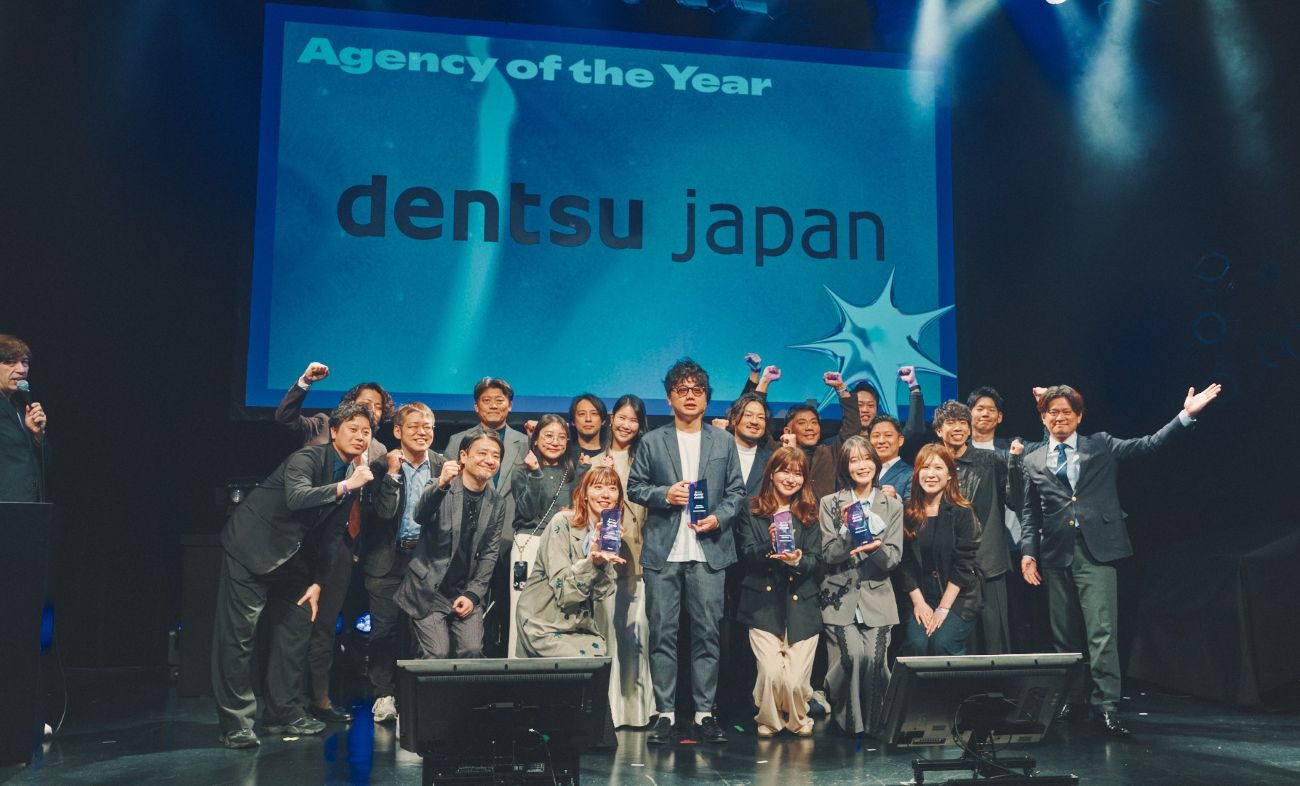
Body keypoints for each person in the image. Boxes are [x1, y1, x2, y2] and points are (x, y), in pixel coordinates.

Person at [1020, 383, 1221, 737]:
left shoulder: (1100, 444)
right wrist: (1027, 553)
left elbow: (1149, 445)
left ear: (1079, 416)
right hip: (1055, 553)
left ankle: (1106, 705)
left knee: (1101, 632)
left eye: (1066, 412)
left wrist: (1185, 416)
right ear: (1043, 418)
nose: (1059, 418)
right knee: (1063, 635)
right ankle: (1072, 699)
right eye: (1052, 412)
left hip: (1096, 550)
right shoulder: (1032, 459)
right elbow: (1030, 513)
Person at [212, 403, 377, 749]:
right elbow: (298, 498)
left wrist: (318, 582)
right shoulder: (307, 459)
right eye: (353, 429)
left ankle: (284, 712)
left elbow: (332, 535)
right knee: (239, 638)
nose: (360, 437)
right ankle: (236, 724)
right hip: (252, 548)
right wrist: (346, 486)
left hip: (295, 561)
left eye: (366, 432)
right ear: (334, 431)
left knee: (297, 629)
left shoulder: (350, 475)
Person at [628, 358, 746, 745]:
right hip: (664, 552)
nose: (690, 397)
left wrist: (718, 518)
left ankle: (704, 713)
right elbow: (635, 487)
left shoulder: (723, 441)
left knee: (707, 634)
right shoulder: (652, 440)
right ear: (669, 398)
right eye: (682, 390)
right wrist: (666, 494)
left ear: (707, 398)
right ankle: (664, 713)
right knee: (662, 633)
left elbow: (736, 492)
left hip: (709, 551)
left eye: (697, 391)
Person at [273, 361, 392, 723]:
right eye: (365, 404)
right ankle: (288, 701)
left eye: (377, 408)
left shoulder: (378, 449)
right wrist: (304, 382)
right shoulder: (324, 425)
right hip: (304, 539)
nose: (371, 412)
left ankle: (320, 698)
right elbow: (285, 419)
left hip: (346, 544)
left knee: (329, 623)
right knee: (298, 622)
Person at [360, 402, 449, 724]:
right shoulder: (381, 466)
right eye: (413, 426)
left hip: (426, 561)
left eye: (427, 426)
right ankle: (383, 695)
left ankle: (415, 696)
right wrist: (394, 475)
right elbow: (383, 513)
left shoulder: (443, 466)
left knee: (419, 632)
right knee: (383, 632)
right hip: (387, 559)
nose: (422, 432)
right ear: (398, 431)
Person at [734, 447, 824, 737]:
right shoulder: (751, 508)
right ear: (771, 474)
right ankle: (770, 720)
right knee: (772, 674)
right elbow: (747, 554)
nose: (790, 478)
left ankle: (799, 718)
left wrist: (796, 560)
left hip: (802, 605)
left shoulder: (810, 512)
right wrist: (770, 546)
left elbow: (816, 560)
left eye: (797, 474)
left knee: (795, 682)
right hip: (762, 604)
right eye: (785, 471)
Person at [817, 436, 903, 738]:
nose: (861, 465)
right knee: (852, 656)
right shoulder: (830, 503)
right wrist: (849, 534)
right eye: (854, 460)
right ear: (845, 466)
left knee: (875, 659)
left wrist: (875, 547)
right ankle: (850, 723)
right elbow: (829, 554)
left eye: (866, 458)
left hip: (878, 595)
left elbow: (892, 559)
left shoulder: (892, 505)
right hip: (839, 595)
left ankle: (877, 724)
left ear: (875, 463)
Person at [395, 428, 507, 660]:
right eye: (482, 453)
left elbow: (490, 553)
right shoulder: (441, 485)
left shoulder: (496, 502)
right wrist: (442, 485)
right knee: (437, 653)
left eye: (495, 456)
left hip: (465, 590)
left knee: (472, 651)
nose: (489, 460)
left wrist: (473, 595)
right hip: (429, 590)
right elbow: (420, 516)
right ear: (463, 456)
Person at [441, 377, 529, 656]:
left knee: (505, 609)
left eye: (499, 400)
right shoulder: (458, 440)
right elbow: (448, 489)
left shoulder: (525, 442)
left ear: (510, 406)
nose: (493, 405)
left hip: (508, 539)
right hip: (465, 543)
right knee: (467, 613)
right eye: (486, 400)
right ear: (476, 406)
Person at [931, 400, 1023, 655]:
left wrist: (1014, 464)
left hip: (989, 562)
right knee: (955, 639)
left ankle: (998, 681)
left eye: (963, 422)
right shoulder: (932, 464)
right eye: (951, 423)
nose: (958, 428)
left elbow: (1015, 500)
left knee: (995, 636)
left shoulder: (991, 460)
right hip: (949, 566)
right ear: (938, 430)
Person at [586, 395, 655, 728]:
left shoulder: (647, 460)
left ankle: (637, 711)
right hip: (603, 559)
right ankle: (607, 710)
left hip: (639, 558)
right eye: (622, 418)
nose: (627, 425)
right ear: (611, 419)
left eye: (634, 420)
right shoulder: (593, 461)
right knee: (606, 631)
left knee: (636, 632)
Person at [517, 466, 626, 656]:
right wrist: (592, 562)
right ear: (585, 494)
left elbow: (602, 593)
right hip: (544, 621)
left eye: (612, 488)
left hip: (580, 625)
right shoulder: (562, 523)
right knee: (582, 661)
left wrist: (602, 561)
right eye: (598, 487)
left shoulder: (607, 534)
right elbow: (564, 592)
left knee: (601, 657)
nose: (606, 494)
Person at [508, 414, 582, 657]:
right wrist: (536, 473)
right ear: (536, 439)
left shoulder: (573, 473)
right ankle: (519, 669)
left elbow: (579, 513)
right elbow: (527, 513)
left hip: (562, 547)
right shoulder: (522, 472)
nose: (555, 442)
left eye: (561, 437)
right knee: (523, 610)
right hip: (530, 544)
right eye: (548, 436)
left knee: (556, 612)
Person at [898, 443, 981, 657]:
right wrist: (919, 603)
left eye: (938, 468)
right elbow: (904, 562)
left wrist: (943, 609)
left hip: (957, 596)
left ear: (950, 475)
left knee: (941, 643)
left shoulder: (963, 512)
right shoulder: (907, 512)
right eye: (925, 468)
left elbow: (964, 565)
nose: (931, 474)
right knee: (918, 644)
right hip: (920, 595)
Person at [774, 372, 861, 500]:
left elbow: (852, 427)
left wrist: (841, 388)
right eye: (802, 423)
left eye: (814, 422)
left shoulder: (830, 453)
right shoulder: (777, 454)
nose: (809, 427)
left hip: (825, 513)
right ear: (788, 431)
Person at [0, 335, 47, 503]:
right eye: (10, 362)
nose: (21, 369)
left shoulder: (21, 407)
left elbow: (36, 461)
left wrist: (37, 436)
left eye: (24, 362)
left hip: (27, 505)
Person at [867, 414, 912, 501]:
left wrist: (896, 499)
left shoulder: (911, 475)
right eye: (876, 436)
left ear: (900, 440)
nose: (881, 441)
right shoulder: (861, 471)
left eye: (888, 435)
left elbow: (914, 507)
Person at [569, 393, 608, 457]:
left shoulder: (611, 453)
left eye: (594, 413)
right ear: (573, 421)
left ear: (603, 420)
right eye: (582, 414)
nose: (588, 419)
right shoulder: (564, 453)